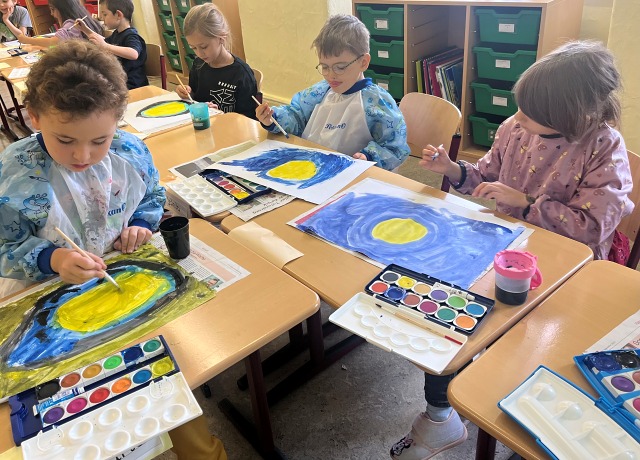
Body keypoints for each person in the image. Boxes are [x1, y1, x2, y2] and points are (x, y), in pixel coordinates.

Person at [391, 40, 633, 460]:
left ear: (569, 116)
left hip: (568, 266)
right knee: (447, 306)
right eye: (519, 107)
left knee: (516, 334)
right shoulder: (515, 128)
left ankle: (511, 393)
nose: (517, 117)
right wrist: (453, 169)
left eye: (528, 112)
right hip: (502, 244)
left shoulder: (603, 148)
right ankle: (441, 413)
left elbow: (592, 229)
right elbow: (484, 178)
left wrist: (526, 202)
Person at [0, 40, 227, 460]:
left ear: (118, 122)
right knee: (69, 410)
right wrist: (51, 258)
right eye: (65, 139)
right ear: (34, 117)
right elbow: (4, 245)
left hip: (125, 277)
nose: (82, 155)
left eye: (99, 140)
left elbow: (152, 195)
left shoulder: (130, 153)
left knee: (165, 382)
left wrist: (141, 223)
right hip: (44, 294)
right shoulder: (13, 174)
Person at [255, 14, 410, 171]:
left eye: (340, 67)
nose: (330, 75)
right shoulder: (318, 93)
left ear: (363, 62)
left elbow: (395, 147)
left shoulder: (377, 103)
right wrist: (274, 118)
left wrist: (369, 156)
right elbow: (296, 116)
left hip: (353, 175)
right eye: (324, 67)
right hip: (311, 167)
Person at [176, 2, 257, 119]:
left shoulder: (242, 74)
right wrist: (186, 94)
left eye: (204, 47)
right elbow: (194, 99)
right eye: (193, 48)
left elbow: (248, 119)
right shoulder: (198, 65)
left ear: (221, 37)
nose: (199, 53)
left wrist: (220, 116)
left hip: (228, 128)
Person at [77, 0, 148, 89]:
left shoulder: (132, 35)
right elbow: (103, 41)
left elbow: (133, 54)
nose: (102, 18)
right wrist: (85, 29)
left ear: (118, 15)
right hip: (121, 82)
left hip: (133, 85)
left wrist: (105, 46)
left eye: (105, 14)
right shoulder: (116, 33)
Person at [5, 0, 102, 47]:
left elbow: (54, 42)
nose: (51, 14)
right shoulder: (81, 17)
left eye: (52, 9)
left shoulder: (72, 23)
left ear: (62, 9)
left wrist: (27, 40)